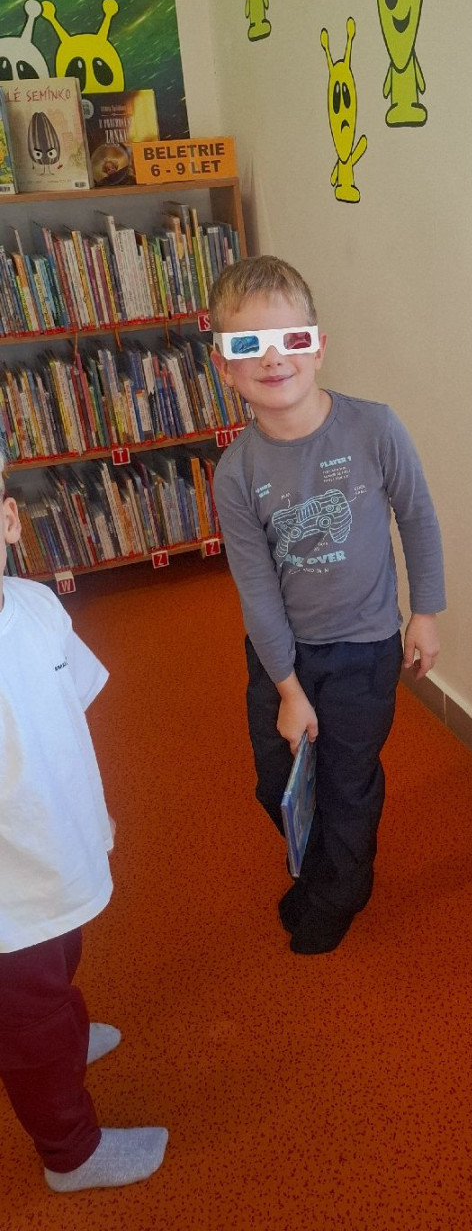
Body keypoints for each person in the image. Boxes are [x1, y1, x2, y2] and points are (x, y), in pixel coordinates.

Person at [211, 256, 445, 955]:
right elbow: (256, 588)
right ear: (224, 367)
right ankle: (321, 871)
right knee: (277, 784)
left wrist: (425, 611)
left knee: (345, 783)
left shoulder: (375, 428)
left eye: (290, 338)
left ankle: (339, 892)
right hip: (281, 656)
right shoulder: (236, 472)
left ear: (316, 347)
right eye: (248, 344)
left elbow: (418, 517)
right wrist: (287, 690)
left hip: (364, 653)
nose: (273, 358)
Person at [0, 450, 168, 1192]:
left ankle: (63, 1039)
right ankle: (70, 1154)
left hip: (59, 841)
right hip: (8, 897)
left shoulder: (37, 606)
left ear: (9, 521)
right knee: (27, 1018)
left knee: (63, 957)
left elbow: (72, 704)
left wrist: (85, 819)